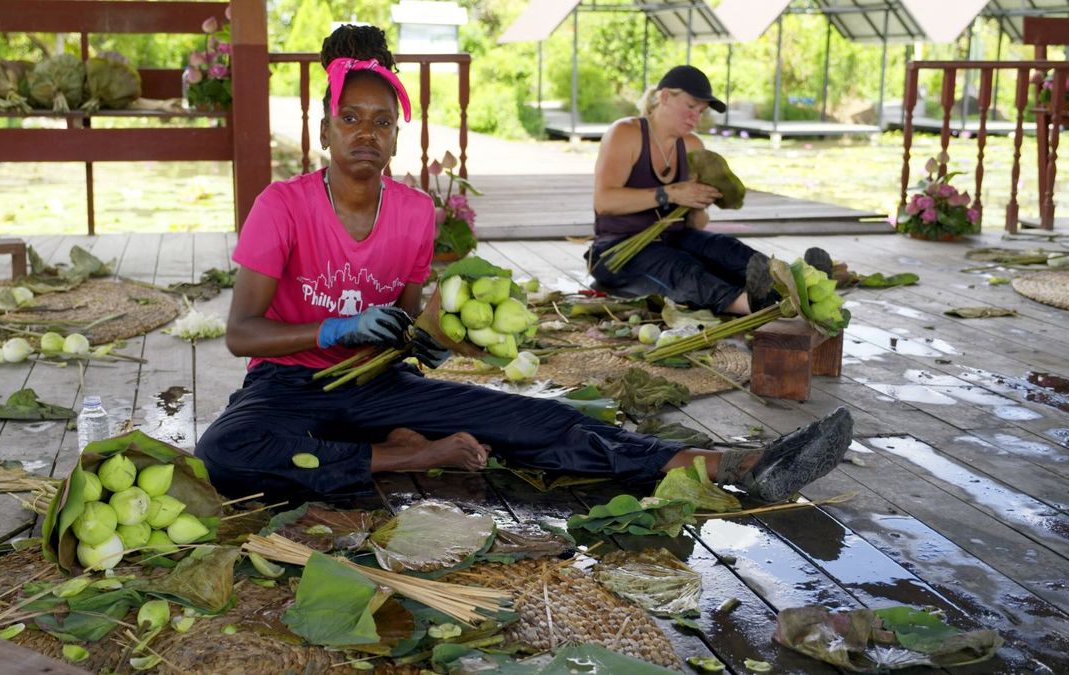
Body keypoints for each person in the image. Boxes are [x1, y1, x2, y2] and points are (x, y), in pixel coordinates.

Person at [193, 25, 853, 505]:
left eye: (381, 121)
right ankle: (408, 453)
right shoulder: (281, 206)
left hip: (377, 386)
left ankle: (736, 462)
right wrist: (332, 331)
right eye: (350, 119)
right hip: (286, 387)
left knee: (538, 419)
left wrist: (429, 334)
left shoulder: (418, 214)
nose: (365, 132)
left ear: (397, 133)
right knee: (225, 450)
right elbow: (241, 333)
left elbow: (405, 318)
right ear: (326, 131)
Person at [588, 65, 830, 314]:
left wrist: (697, 203)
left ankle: (798, 282)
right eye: (691, 106)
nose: (696, 117)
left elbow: (697, 224)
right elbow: (604, 201)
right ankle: (750, 304)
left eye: (701, 111)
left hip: (676, 237)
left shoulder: (692, 145)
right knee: (680, 267)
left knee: (724, 249)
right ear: (665, 97)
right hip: (616, 252)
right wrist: (670, 193)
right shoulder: (626, 133)